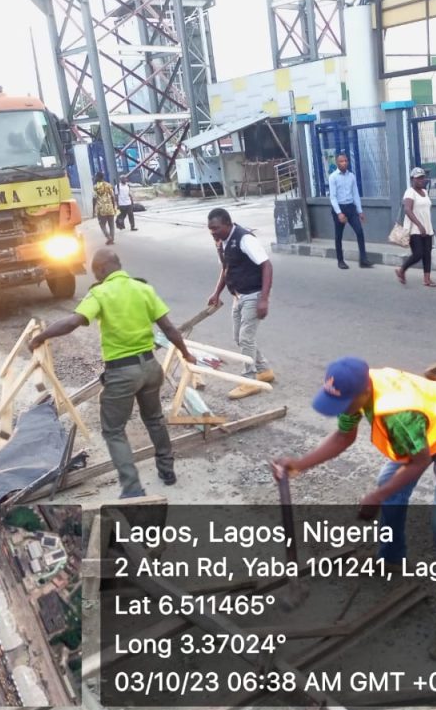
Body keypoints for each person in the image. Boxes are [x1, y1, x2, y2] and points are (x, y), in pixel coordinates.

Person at [273, 357, 436, 660]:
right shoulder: (358, 392)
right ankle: (391, 559)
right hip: (420, 433)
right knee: (391, 488)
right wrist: (299, 464)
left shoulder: (397, 413)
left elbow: (420, 460)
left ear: (363, 392)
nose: (343, 410)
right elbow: (344, 436)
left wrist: (377, 495)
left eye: (345, 403)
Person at [28, 249, 197, 498]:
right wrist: (185, 353)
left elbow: (73, 322)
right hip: (150, 367)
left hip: (122, 373)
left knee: (114, 430)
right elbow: (169, 328)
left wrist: (40, 336)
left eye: (96, 272)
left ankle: (131, 488)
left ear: (101, 270)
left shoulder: (100, 292)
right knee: (154, 419)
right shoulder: (144, 289)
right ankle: (167, 471)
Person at [206, 208, 275, 400]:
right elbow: (226, 268)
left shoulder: (245, 239)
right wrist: (216, 292)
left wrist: (264, 299)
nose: (213, 232)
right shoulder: (222, 242)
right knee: (239, 338)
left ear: (228, 224)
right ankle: (264, 369)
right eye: (210, 229)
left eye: (216, 228)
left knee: (246, 338)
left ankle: (249, 380)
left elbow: (266, 265)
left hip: (254, 294)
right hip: (238, 295)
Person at [328, 152, 372, 269]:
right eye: (341, 161)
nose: (344, 163)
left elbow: (355, 194)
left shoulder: (351, 176)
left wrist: (360, 211)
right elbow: (332, 197)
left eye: (346, 161)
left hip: (351, 208)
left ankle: (363, 260)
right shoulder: (333, 177)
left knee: (359, 231)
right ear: (337, 163)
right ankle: (340, 261)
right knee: (339, 236)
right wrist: (339, 213)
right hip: (339, 208)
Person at [394, 167, 436, 287]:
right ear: (412, 179)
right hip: (414, 229)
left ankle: (427, 279)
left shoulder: (425, 192)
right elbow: (407, 210)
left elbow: (426, 212)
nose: (421, 180)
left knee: (427, 253)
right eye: (418, 178)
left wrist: (429, 226)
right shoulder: (410, 192)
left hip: (427, 228)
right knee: (418, 254)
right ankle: (401, 270)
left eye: (422, 177)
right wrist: (420, 225)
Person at [93, 172, 117, 245]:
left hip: (101, 209)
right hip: (110, 208)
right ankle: (112, 239)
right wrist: (113, 206)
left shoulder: (96, 187)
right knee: (111, 225)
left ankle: (108, 237)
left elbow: (94, 198)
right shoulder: (108, 185)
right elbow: (113, 196)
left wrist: (93, 209)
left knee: (102, 225)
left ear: (97, 177)